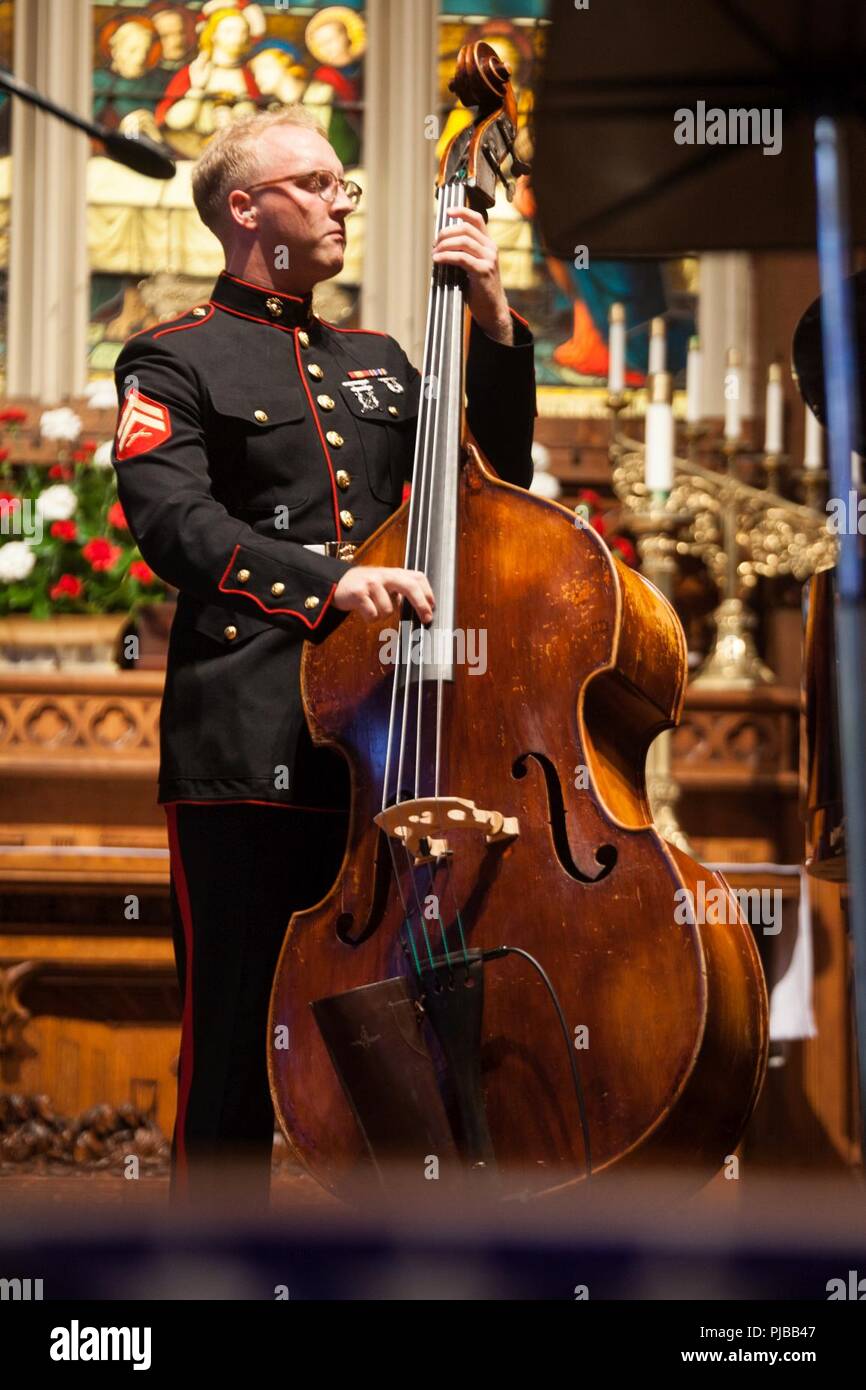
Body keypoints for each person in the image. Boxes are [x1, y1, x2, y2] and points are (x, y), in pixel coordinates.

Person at [111, 106, 537, 1209]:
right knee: (235, 1040)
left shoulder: (386, 360)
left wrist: (488, 316)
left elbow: (490, 483)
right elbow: (174, 525)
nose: (343, 200)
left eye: (345, 183)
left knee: (420, 1022)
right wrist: (326, 582)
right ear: (246, 209)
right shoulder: (173, 357)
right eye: (317, 182)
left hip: (395, 745)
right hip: (251, 748)